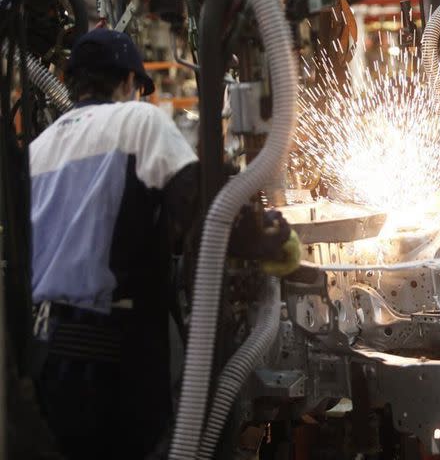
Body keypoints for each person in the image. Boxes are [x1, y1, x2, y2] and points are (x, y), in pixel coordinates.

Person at [29, 28, 299, 459]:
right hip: (119, 353)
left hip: (49, 352)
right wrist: (268, 237)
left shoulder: (37, 148)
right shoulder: (139, 121)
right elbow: (203, 206)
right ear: (129, 83)